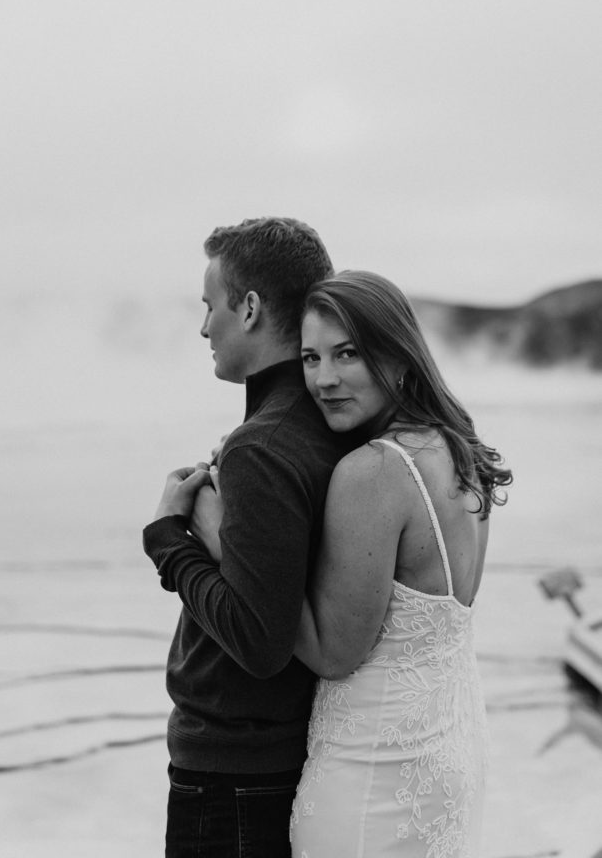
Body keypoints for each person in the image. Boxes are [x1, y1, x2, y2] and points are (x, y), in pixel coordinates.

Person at [192, 270, 512, 858]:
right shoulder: (452, 448)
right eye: (311, 358)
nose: (324, 379)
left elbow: (333, 653)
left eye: (348, 355)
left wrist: (215, 533)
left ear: (399, 358)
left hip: (375, 774)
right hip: (447, 750)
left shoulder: (374, 471)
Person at [142, 218, 360, 858]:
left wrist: (167, 541)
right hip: (279, 758)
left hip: (233, 772)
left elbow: (260, 642)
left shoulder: (263, 445)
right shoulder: (323, 423)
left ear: (251, 308)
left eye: (210, 307)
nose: (204, 327)